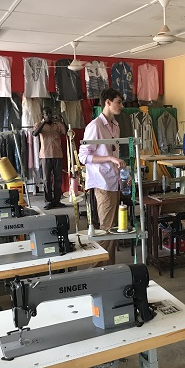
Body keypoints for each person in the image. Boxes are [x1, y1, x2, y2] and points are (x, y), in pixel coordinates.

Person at [79, 88, 126, 266]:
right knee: (106, 230)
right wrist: (109, 158)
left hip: (114, 181)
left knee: (113, 229)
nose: (121, 106)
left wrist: (121, 168)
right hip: (102, 183)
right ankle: (98, 271)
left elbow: (114, 151)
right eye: (118, 102)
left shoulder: (115, 126)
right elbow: (83, 156)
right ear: (107, 102)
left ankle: (110, 269)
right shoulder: (95, 126)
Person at [33, 107, 66, 210]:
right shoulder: (39, 125)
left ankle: (57, 200)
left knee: (58, 179)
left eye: (50, 113)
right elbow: (34, 134)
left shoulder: (57, 125)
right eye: (46, 113)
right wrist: (44, 122)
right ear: (43, 115)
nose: (49, 115)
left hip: (57, 155)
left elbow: (66, 132)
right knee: (47, 179)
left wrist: (62, 120)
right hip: (45, 155)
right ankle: (48, 201)